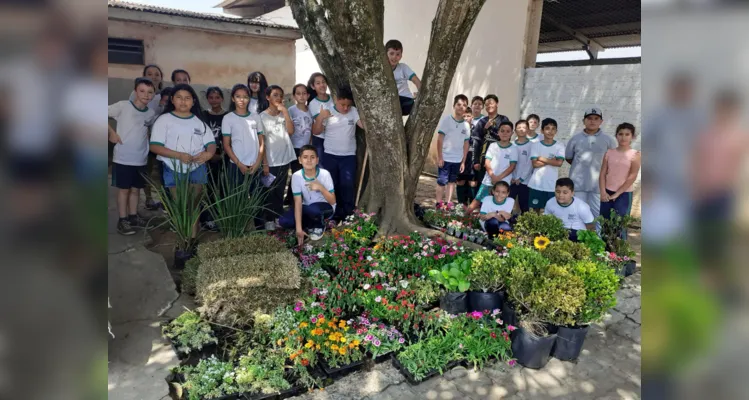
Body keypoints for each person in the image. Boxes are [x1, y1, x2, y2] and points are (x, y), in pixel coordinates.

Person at [149, 83, 216, 240]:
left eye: (187, 98)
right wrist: (178, 155)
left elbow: (211, 143)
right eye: (179, 97)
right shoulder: (164, 120)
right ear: (172, 100)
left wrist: (208, 154)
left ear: (193, 101)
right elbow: (154, 146)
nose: (183, 101)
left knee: (193, 207)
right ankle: (182, 241)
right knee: (180, 207)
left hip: (197, 167)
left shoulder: (199, 121)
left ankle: (191, 241)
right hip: (173, 168)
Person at [108, 77, 158, 235]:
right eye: (142, 91)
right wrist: (111, 133)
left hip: (141, 159)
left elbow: (147, 132)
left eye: (150, 92)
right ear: (135, 91)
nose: (146, 95)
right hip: (123, 157)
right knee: (124, 190)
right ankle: (122, 220)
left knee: (136, 190)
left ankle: (133, 216)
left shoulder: (150, 113)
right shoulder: (123, 106)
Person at [312, 86, 365, 221]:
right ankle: (333, 214)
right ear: (336, 100)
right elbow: (316, 132)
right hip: (330, 155)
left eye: (348, 105)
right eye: (342, 105)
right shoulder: (327, 110)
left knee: (347, 184)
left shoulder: (354, 111)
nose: (345, 108)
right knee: (332, 185)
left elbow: (363, 125)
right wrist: (320, 118)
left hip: (348, 156)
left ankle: (348, 214)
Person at [565, 107, 617, 224]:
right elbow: (569, 158)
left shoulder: (608, 140)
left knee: (599, 214)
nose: (592, 121)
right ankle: (576, 239)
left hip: (599, 185)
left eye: (596, 118)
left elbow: (613, 161)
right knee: (576, 213)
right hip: (578, 184)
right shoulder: (575, 139)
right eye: (589, 118)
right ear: (584, 121)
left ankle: (600, 239)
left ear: (601, 121)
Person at [280, 145, 336, 243]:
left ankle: (319, 226)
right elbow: (298, 202)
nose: (309, 160)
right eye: (305, 157)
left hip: (325, 207)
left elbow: (332, 200)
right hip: (307, 207)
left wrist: (321, 188)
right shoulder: (296, 176)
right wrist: (298, 229)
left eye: (312, 157)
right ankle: (307, 226)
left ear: (317, 160)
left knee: (313, 209)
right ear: (300, 160)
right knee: (284, 220)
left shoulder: (324, 174)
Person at [259, 85, 297, 230]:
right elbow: (261, 142)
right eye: (275, 95)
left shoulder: (284, 114)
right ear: (268, 97)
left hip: (285, 159)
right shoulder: (262, 117)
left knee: (280, 191)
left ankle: (277, 219)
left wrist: (285, 112)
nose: (278, 98)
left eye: (280, 95)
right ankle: (268, 219)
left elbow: (291, 131)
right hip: (270, 160)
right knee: (269, 191)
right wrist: (264, 163)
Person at [467, 120, 517, 214]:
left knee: (500, 203)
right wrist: (492, 176)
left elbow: (512, 166)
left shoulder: (513, 148)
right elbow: (487, 162)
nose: (505, 133)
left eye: (508, 131)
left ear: (512, 133)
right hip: (489, 180)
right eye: (502, 131)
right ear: (498, 132)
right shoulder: (493, 146)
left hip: (504, 181)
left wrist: (498, 178)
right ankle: (462, 220)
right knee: (477, 200)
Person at [221, 84, 265, 183]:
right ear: (233, 98)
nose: (242, 100)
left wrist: (258, 163)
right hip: (236, 164)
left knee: (255, 196)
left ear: (249, 99)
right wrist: (239, 164)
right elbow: (226, 145)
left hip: (255, 164)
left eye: (245, 97)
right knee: (237, 197)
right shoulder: (228, 118)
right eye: (238, 96)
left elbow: (261, 142)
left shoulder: (255, 117)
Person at [599, 123, 641, 224]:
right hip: (607, 193)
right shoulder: (609, 153)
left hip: (624, 194)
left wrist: (617, 194)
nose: (623, 137)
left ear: (633, 137)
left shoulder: (635, 154)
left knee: (620, 224)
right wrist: (603, 192)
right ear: (616, 136)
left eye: (627, 134)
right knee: (605, 222)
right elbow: (602, 174)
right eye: (620, 134)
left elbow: (632, 176)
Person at [200, 86, 228, 232]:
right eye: (211, 97)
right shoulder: (204, 115)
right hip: (207, 156)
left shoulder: (228, 116)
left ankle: (222, 215)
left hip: (224, 156)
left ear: (222, 99)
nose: (214, 100)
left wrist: (223, 154)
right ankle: (208, 218)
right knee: (209, 188)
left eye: (217, 97)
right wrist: (210, 154)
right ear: (207, 99)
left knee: (223, 187)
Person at [436, 94, 471, 207]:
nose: (461, 107)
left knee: (452, 182)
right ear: (454, 106)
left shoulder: (466, 125)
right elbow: (440, 139)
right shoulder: (447, 120)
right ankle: (438, 204)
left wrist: (463, 161)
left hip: (457, 160)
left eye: (464, 105)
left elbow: (466, 144)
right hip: (445, 158)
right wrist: (440, 157)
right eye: (459, 104)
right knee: (442, 182)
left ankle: (448, 204)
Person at [471, 94, 510, 186]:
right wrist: (476, 160)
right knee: (482, 184)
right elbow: (476, 142)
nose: (489, 106)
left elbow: (505, 137)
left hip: (500, 157)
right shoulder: (482, 121)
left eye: (491, 103)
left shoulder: (503, 119)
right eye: (487, 104)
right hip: (484, 158)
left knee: (498, 184)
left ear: (497, 104)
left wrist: (490, 129)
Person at [528, 118, 565, 212]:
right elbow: (535, 164)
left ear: (556, 131)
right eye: (547, 128)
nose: (550, 131)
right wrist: (551, 160)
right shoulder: (536, 145)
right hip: (536, 184)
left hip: (551, 185)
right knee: (535, 210)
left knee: (548, 211)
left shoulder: (560, 146)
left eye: (553, 129)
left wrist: (541, 158)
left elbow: (559, 163)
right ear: (542, 130)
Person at [286, 84, 314, 204]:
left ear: (308, 95)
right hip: (295, 147)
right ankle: (293, 201)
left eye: (304, 93)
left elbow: (312, 128)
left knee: (304, 173)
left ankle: (291, 198)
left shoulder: (311, 110)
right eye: (298, 93)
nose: (301, 96)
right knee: (297, 174)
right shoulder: (291, 110)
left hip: (306, 147)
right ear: (294, 96)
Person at [456, 96, 485, 205]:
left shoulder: (482, 122)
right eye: (475, 103)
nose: (477, 106)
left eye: (480, 104)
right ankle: (461, 205)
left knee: (473, 181)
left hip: (475, 155)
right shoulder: (461, 123)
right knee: (460, 180)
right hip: (461, 155)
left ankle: (473, 206)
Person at [385, 39, 422, 115]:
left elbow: (416, 80)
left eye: (398, 54)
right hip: (390, 100)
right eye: (391, 53)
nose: (394, 57)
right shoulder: (381, 70)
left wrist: (420, 93)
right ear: (385, 54)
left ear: (401, 56)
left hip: (405, 101)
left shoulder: (403, 67)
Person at [308, 72, 333, 163]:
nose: (322, 85)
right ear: (313, 86)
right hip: (320, 139)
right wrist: (321, 116)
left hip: (334, 138)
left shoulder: (333, 99)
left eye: (323, 82)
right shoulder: (313, 104)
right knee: (322, 167)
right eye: (318, 83)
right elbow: (317, 130)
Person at [510, 119, 532, 214]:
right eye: (519, 127)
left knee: (524, 205)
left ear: (527, 130)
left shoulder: (532, 145)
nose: (521, 129)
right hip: (511, 180)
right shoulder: (511, 144)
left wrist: (521, 179)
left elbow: (530, 164)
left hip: (525, 181)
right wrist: (511, 177)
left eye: (524, 127)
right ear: (515, 130)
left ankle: (525, 226)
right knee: (508, 203)